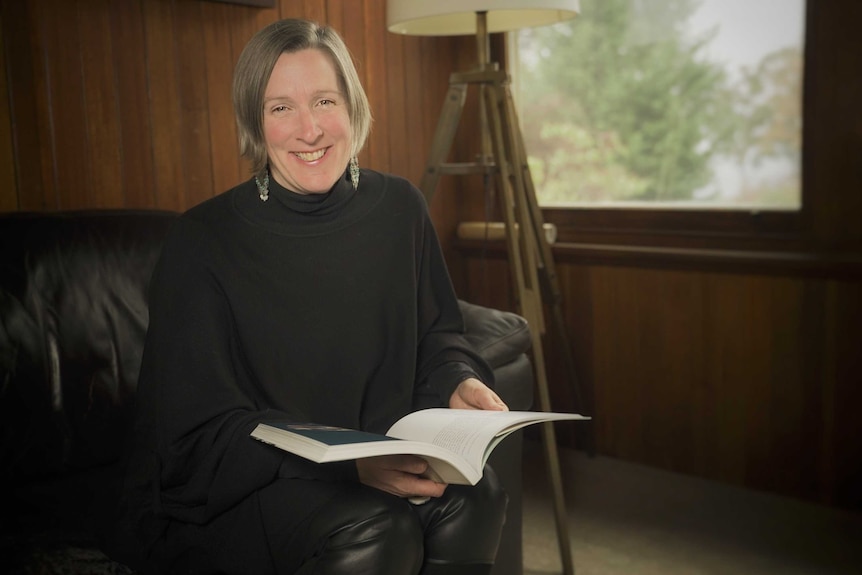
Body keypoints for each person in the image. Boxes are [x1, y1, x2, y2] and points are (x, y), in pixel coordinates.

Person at [106, 18, 509, 575]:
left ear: (353, 106)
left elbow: (437, 336)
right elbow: (194, 435)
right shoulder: (202, 241)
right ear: (255, 121)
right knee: (378, 529)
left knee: (476, 494)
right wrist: (348, 468)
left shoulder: (401, 209)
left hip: (381, 451)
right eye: (281, 108)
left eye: (324, 100)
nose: (310, 129)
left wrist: (457, 379)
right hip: (246, 484)